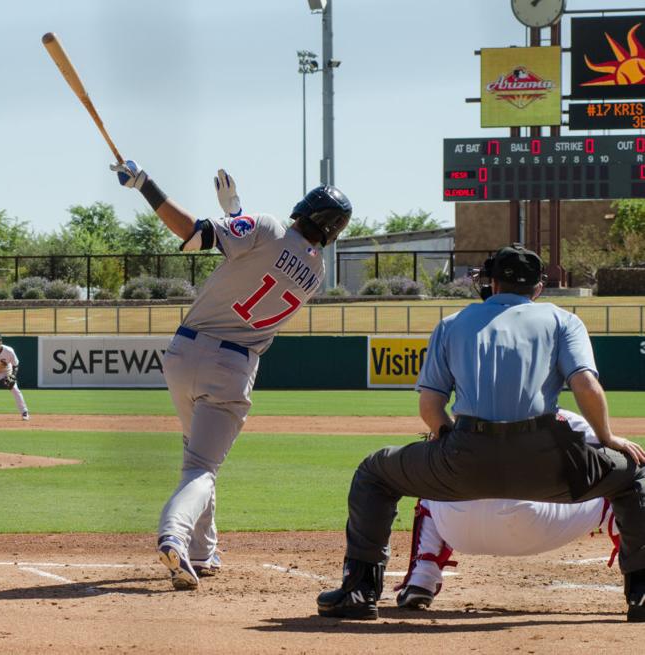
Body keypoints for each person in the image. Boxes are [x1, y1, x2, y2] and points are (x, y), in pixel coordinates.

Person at [316, 243, 645, 622]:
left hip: (465, 457)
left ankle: (359, 591)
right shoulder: (562, 320)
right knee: (634, 473)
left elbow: (430, 407)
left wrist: (446, 439)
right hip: (546, 465)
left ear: (490, 282)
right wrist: (608, 439)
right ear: (538, 288)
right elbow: (586, 386)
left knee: (374, 472)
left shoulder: (453, 322)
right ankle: (642, 593)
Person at [110, 160, 351, 590]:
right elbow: (270, 258)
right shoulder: (317, 273)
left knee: (196, 457)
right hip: (232, 365)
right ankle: (175, 536)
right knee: (202, 466)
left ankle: (203, 551)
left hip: (183, 353)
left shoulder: (270, 226)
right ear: (333, 231)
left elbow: (193, 236)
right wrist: (237, 213)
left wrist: (146, 185)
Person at [394, 409, 619, 610]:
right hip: (533, 529)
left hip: (459, 531)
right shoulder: (564, 419)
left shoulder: (458, 422)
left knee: (432, 481)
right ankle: (639, 582)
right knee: (614, 485)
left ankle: (421, 579)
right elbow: (610, 466)